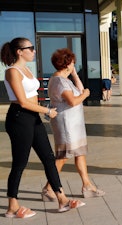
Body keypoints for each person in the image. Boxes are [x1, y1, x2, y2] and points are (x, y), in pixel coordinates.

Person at [1, 37, 85, 218]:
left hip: (33, 117)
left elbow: (31, 96)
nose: (34, 51)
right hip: (19, 118)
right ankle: (12, 206)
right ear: (19, 51)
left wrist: (42, 111)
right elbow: (22, 102)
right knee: (20, 162)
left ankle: (62, 199)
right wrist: (46, 110)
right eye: (30, 48)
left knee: (48, 158)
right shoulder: (12, 71)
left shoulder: (27, 69)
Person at [41, 48, 105, 200]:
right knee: (63, 156)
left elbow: (80, 90)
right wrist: (86, 95)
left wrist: (75, 74)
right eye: (73, 62)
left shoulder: (65, 79)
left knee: (79, 152)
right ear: (67, 63)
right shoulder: (59, 81)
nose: (74, 64)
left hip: (74, 124)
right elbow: (73, 101)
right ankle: (48, 188)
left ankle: (87, 185)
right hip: (67, 125)